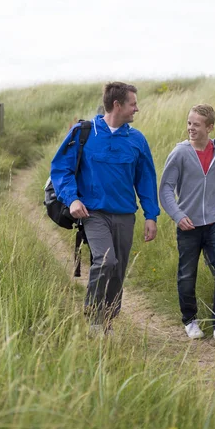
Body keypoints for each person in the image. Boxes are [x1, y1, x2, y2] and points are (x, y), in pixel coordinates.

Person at [51, 82, 160, 331]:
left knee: (118, 270)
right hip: (93, 213)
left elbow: (146, 179)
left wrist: (151, 215)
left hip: (124, 215)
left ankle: (108, 319)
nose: (137, 109)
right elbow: (61, 170)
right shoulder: (84, 132)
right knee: (106, 261)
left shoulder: (136, 139)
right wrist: (72, 199)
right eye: (133, 104)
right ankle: (93, 317)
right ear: (117, 105)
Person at [159, 104, 215, 344]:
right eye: (189, 123)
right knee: (187, 274)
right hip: (188, 225)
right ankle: (190, 320)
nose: (191, 128)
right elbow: (165, 189)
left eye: (196, 124)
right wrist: (177, 215)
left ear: (210, 127)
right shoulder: (180, 153)